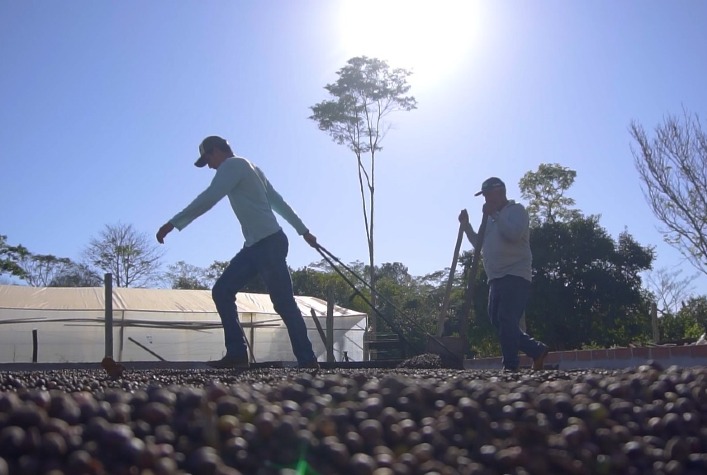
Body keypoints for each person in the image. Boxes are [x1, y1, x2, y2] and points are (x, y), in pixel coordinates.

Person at [156, 135, 320, 369]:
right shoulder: (252, 168)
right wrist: (304, 232)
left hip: (269, 243)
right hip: (256, 245)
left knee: (283, 303)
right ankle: (237, 353)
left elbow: (210, 197)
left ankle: (307, 359)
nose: (209, 165)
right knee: (222, 290)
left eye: (208, 159)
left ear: (216, 151)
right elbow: (279, 203)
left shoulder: (232, 166)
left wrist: (173, 223)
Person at [458, 177, 549, 371]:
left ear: (500, 192)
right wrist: (466, 226)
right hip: (495, 278)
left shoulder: (517, 211)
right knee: (498, 320)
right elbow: (478, 244)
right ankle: (536, 350)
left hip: (515, 274)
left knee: (507, 319)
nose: (486, 200)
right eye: (484, 196)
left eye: (488, 195)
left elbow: (514, 234)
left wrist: (496, 216)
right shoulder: (490, 219)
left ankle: (510, 367)